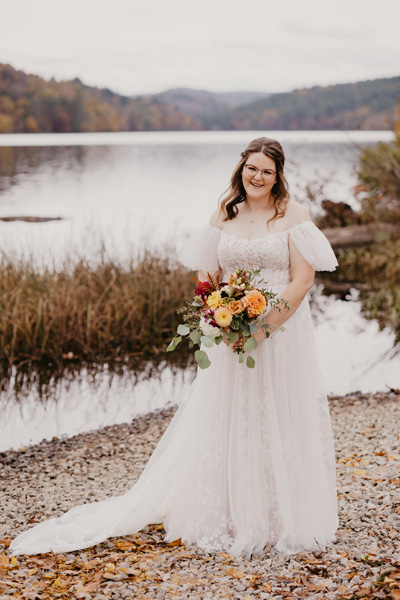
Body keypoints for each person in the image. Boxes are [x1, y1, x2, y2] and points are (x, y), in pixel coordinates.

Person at [10, 137, 338, 559]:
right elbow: (207, 275)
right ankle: (229, 508)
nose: (257, 177)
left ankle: (280, 513)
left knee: (278, 412)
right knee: (231, 412)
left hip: (280, 331)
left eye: (266, 171)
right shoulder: (225, 213)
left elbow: (303, 279)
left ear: (279, 176)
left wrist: (263, 328)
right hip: (231, 332)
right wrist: (220, 313)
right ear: (241, 169)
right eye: (251, 168)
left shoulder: (292, 214)